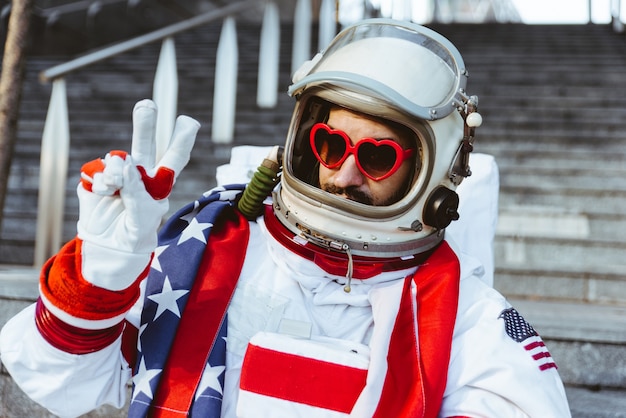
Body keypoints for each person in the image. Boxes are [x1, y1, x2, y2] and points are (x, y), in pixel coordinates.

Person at [0, 19, 570, 417]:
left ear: (431, 173)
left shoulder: (471, 322)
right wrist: (101, 278)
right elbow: (55, 385)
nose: (344, 175)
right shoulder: (202, 260)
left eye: (377, 156)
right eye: (329, 144)